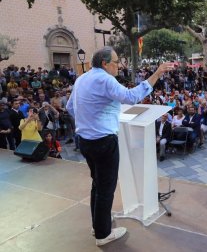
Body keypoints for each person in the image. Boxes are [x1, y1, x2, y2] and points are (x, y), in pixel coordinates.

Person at [66, 46, 173, 246]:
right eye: (116, 62)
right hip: (104, 141)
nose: (119, 65)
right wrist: (157, 74)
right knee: (106, 188)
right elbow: (131, 97)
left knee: (97, 184)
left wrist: (88, 120)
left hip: (85, 140)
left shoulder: (82, 78)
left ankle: (97, 225)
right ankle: (103, 234)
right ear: (105, 64)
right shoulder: (105, 79)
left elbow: (70, 107)